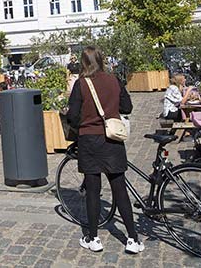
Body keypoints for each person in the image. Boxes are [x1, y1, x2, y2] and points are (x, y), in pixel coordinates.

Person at [67, 46, 142, 254]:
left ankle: (93, 238)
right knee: (120, 190)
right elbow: (127, 108)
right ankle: (133, 239)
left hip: (89, 141)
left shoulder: (81, 84)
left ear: (83, 63)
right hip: (112, 139)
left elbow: (73, 117)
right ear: (101, 60)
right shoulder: (114, 80)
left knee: (93, 191)